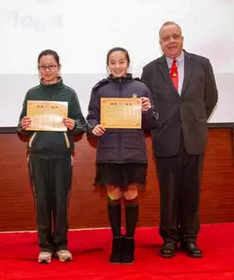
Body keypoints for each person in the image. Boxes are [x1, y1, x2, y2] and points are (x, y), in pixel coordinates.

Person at [141, 21, 218, 258]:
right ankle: (169, 238)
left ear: (182, 39)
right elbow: (147, 105)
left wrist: (193, 120)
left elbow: (210, 99)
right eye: (166, 38)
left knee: (192, 190)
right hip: (165, 139)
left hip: (193, 138)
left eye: (175, 36)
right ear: (160, 43)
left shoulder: (202, 64)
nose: (171, 41)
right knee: (169, 192)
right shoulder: (150, 70)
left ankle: (190, 237)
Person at [86, 47, 158, 264]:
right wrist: (93, 127)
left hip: (133, 151)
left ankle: (130, 241)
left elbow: (151, 123)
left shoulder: (141, 88)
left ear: (128, 63)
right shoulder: (100, 89)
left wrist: (147, 109)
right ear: (108, 64)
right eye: (113, 62)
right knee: (113, 194)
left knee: (130, 193)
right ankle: (117, 240)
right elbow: (91, 117)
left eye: (121, 62)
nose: (117, 66)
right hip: (108, 151)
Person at [17, 49, 86, 264]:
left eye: (51, 66)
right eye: (42, 67)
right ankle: (45, 246)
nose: (47, 70)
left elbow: (81, 125)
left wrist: (74, 125)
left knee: (61, 201)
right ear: (38, 69)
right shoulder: (32, 94)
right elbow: (20, 127)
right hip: (37, 155)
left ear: (59, 67)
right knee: (42, 202)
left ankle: (62, 245)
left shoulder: (69, 94)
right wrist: (23, 125)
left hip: (62, 155)